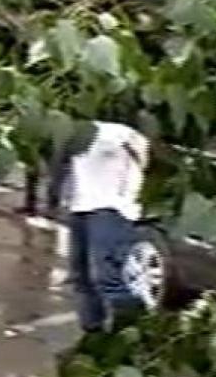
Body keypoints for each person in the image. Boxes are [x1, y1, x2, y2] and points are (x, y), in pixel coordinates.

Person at [48, 120, 150, 333]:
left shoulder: (121, 133)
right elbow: (63, 165)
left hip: (111, 208)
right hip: (80, 206)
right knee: (80, 276)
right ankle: (93, 331)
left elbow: (144, 159)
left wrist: (131, 196)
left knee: (108, 275)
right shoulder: (73, 131)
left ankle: (132, 333)